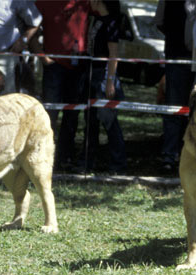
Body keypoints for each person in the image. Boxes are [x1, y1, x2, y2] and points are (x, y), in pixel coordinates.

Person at [32, 0, 91, 172]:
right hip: (54, 66)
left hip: (79, 66)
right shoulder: (43, 3)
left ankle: (65, 157)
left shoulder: (85, 3)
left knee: (72, 115)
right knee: (50, 114)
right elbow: (30, 31)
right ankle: (44, 156)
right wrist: (43, 58)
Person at [75, 0, 127, 174]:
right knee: (90, 122)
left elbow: (114, 55)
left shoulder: (111, 23)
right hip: (90, 75)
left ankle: (118, 164)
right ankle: (87, 162)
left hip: (103, 76)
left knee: (109, 122)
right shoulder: (95, 20)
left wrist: (110, 81)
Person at [155, 0, 196, 173]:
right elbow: (159, 22)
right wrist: (178, 36)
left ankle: (195, 157)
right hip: (176, 58)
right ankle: (169, 156)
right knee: (173, 109)